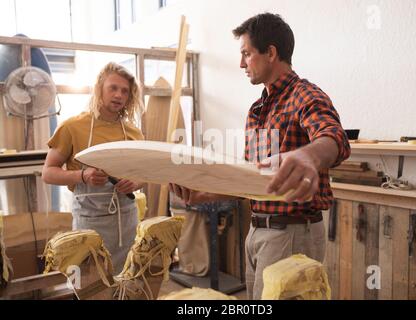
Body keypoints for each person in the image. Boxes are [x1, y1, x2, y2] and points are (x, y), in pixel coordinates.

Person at [170, 13, 351, 300]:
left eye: (246, 54)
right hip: (257, 232)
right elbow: (250, 180)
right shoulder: (257, 110)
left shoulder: (305, 95)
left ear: (271, 53)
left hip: (292, 233)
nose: (241, 63)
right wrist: (201, 194)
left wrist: (310, 156)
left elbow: (334, 137)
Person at [42, 62, 145, 273]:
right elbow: (48, 173)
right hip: (90, 221)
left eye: (125, 91)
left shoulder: (134, 133)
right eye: (113, 88)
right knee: (88, 281)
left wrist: (135, 183)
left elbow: (143, 174)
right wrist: (82, 175)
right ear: (100, 88)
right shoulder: (73, 127)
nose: (118, 95)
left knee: (125, 279)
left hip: (126, 221)